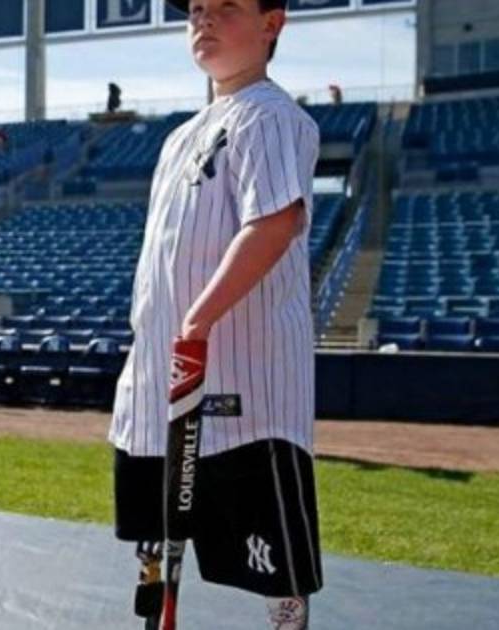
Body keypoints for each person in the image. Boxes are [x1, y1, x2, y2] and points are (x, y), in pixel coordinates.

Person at [111, 2, 321, 629]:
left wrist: (197, 321)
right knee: (156, 549)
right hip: (159, 384)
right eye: (197, 10)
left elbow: (274, 222)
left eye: (226, 8)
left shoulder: (270, 115)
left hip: (240, 388)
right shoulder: (180, 136)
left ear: (271, 24)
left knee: (272, 565)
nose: (204, 20)